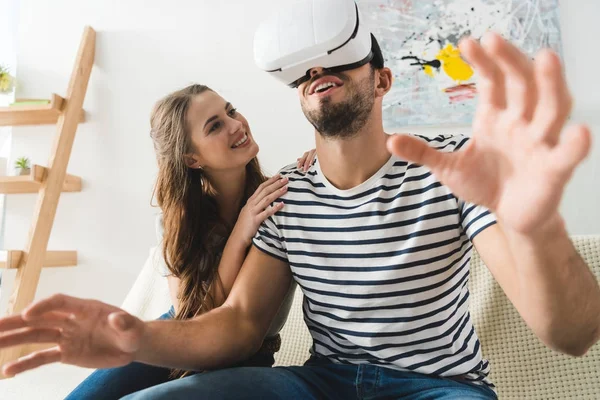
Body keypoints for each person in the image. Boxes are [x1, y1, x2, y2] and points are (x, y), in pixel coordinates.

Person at [0, 30, 599, 399]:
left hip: (440, 388)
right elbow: (237, 322)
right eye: (309, 65)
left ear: (382, 79)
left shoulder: (458, 169)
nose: (321, 68)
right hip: (320, 383)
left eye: (342, 56)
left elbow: (570, 335)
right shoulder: (287, 194)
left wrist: (536, 223)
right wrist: (137, 337)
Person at [61, 84, 315, 398]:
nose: (236, 125)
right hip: (178, 339)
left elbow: (232, 326)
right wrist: (239, 234)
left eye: (231, 110)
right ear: (192, 158)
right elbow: (193, 322)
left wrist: (325, 160)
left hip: (249, 354)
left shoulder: (275, 203)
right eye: (215, 125)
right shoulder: (177, 222)